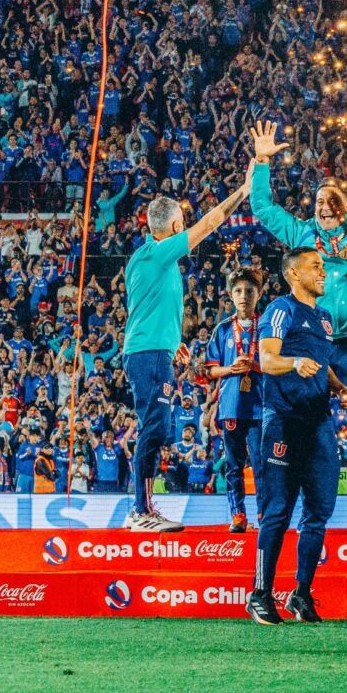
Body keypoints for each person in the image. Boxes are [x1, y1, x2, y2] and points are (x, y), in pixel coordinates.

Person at [248, 122, 347, 533]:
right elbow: (262, 208)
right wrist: (261, 162)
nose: (325, 205)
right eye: (319, 200)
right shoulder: (302, 234)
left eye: (333, 200)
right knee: (304, 420)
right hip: (309, 348)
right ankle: (285, 507)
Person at [120, 170, 251, 531]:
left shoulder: (144, 258)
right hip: (147, 355)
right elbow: (212, 222)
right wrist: (243, 189)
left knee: (155, 426)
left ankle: (142, 507)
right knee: (155, 426)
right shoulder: (160, 252)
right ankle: (140, 510)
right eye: (183, 222)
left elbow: (147, 306)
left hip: (152, 350)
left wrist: (171, 340)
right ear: (175, 224)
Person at [247, 248, 347, 625]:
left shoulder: (324, 319)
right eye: (315, 267)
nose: (322, 272)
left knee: (318, 513)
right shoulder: (281, 309)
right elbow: (266, 360)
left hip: (319, 422)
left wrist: (339, 386)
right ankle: (260, 594)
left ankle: (301, 594)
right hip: (283, 421)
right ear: (294, 274)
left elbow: (320, 365)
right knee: (278, 510)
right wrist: (293, 362)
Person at [203, 273, 265, 534]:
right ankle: (238, 514)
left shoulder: (267, 327)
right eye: (238, 291)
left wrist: (254, 365)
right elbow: (210, 371)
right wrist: (230, 369)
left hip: (261, 406)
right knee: (233, 465)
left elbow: (278, 367)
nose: (243, 296)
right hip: (231, 406)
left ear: (258, 294)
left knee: (262, 465)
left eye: (249, 291)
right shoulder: (223, 329)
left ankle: (265, 513)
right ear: (230, 295)